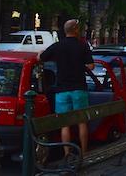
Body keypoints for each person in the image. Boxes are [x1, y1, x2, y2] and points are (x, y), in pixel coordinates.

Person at [40, 19, 95, 156]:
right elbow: (91, 66)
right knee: (82, 122)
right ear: (76, 30)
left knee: (65, 124)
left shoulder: (58, 46)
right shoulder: (82, 46)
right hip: (79, 88)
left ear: (65, 31)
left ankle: (66, 154)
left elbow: (41, 57)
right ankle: (84, 151)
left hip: (62, 89)